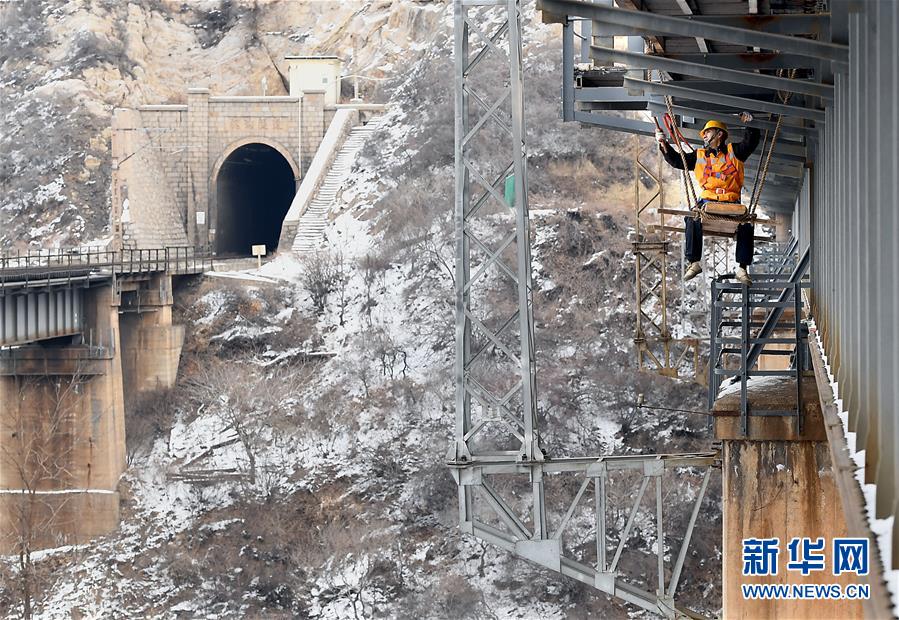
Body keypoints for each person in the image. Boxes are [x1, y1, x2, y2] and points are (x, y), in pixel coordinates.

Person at [656, 112, 760, 286]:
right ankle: (694, 262)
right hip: (708, 201)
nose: (704, 135)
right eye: (704, 133)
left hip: (730, 201)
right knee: (692, 218)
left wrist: (750, 124)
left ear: (719, 134)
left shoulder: (734, 152)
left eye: (708, 132)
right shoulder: (699, 156)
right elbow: (677, 161)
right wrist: (663, 143)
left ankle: (742, 268)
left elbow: (751, 142)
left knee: (746, 223)